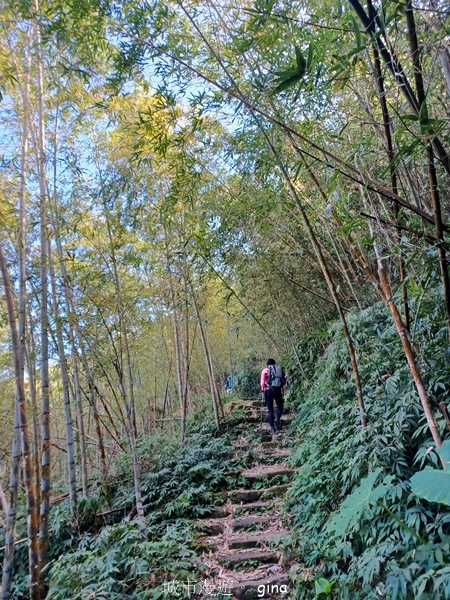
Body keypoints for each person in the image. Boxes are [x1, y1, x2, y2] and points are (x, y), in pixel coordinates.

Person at [260, 358, 287, 435]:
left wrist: (263, 389)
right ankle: (277, 418)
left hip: (268, 391)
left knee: (270, 410)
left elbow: (262, 383)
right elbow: (285, 380)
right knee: (280, 406)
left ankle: (272, 429)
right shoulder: (279, 369)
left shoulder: (265, 370)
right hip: (277, 390)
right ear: (275, 364)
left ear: (267, 365)